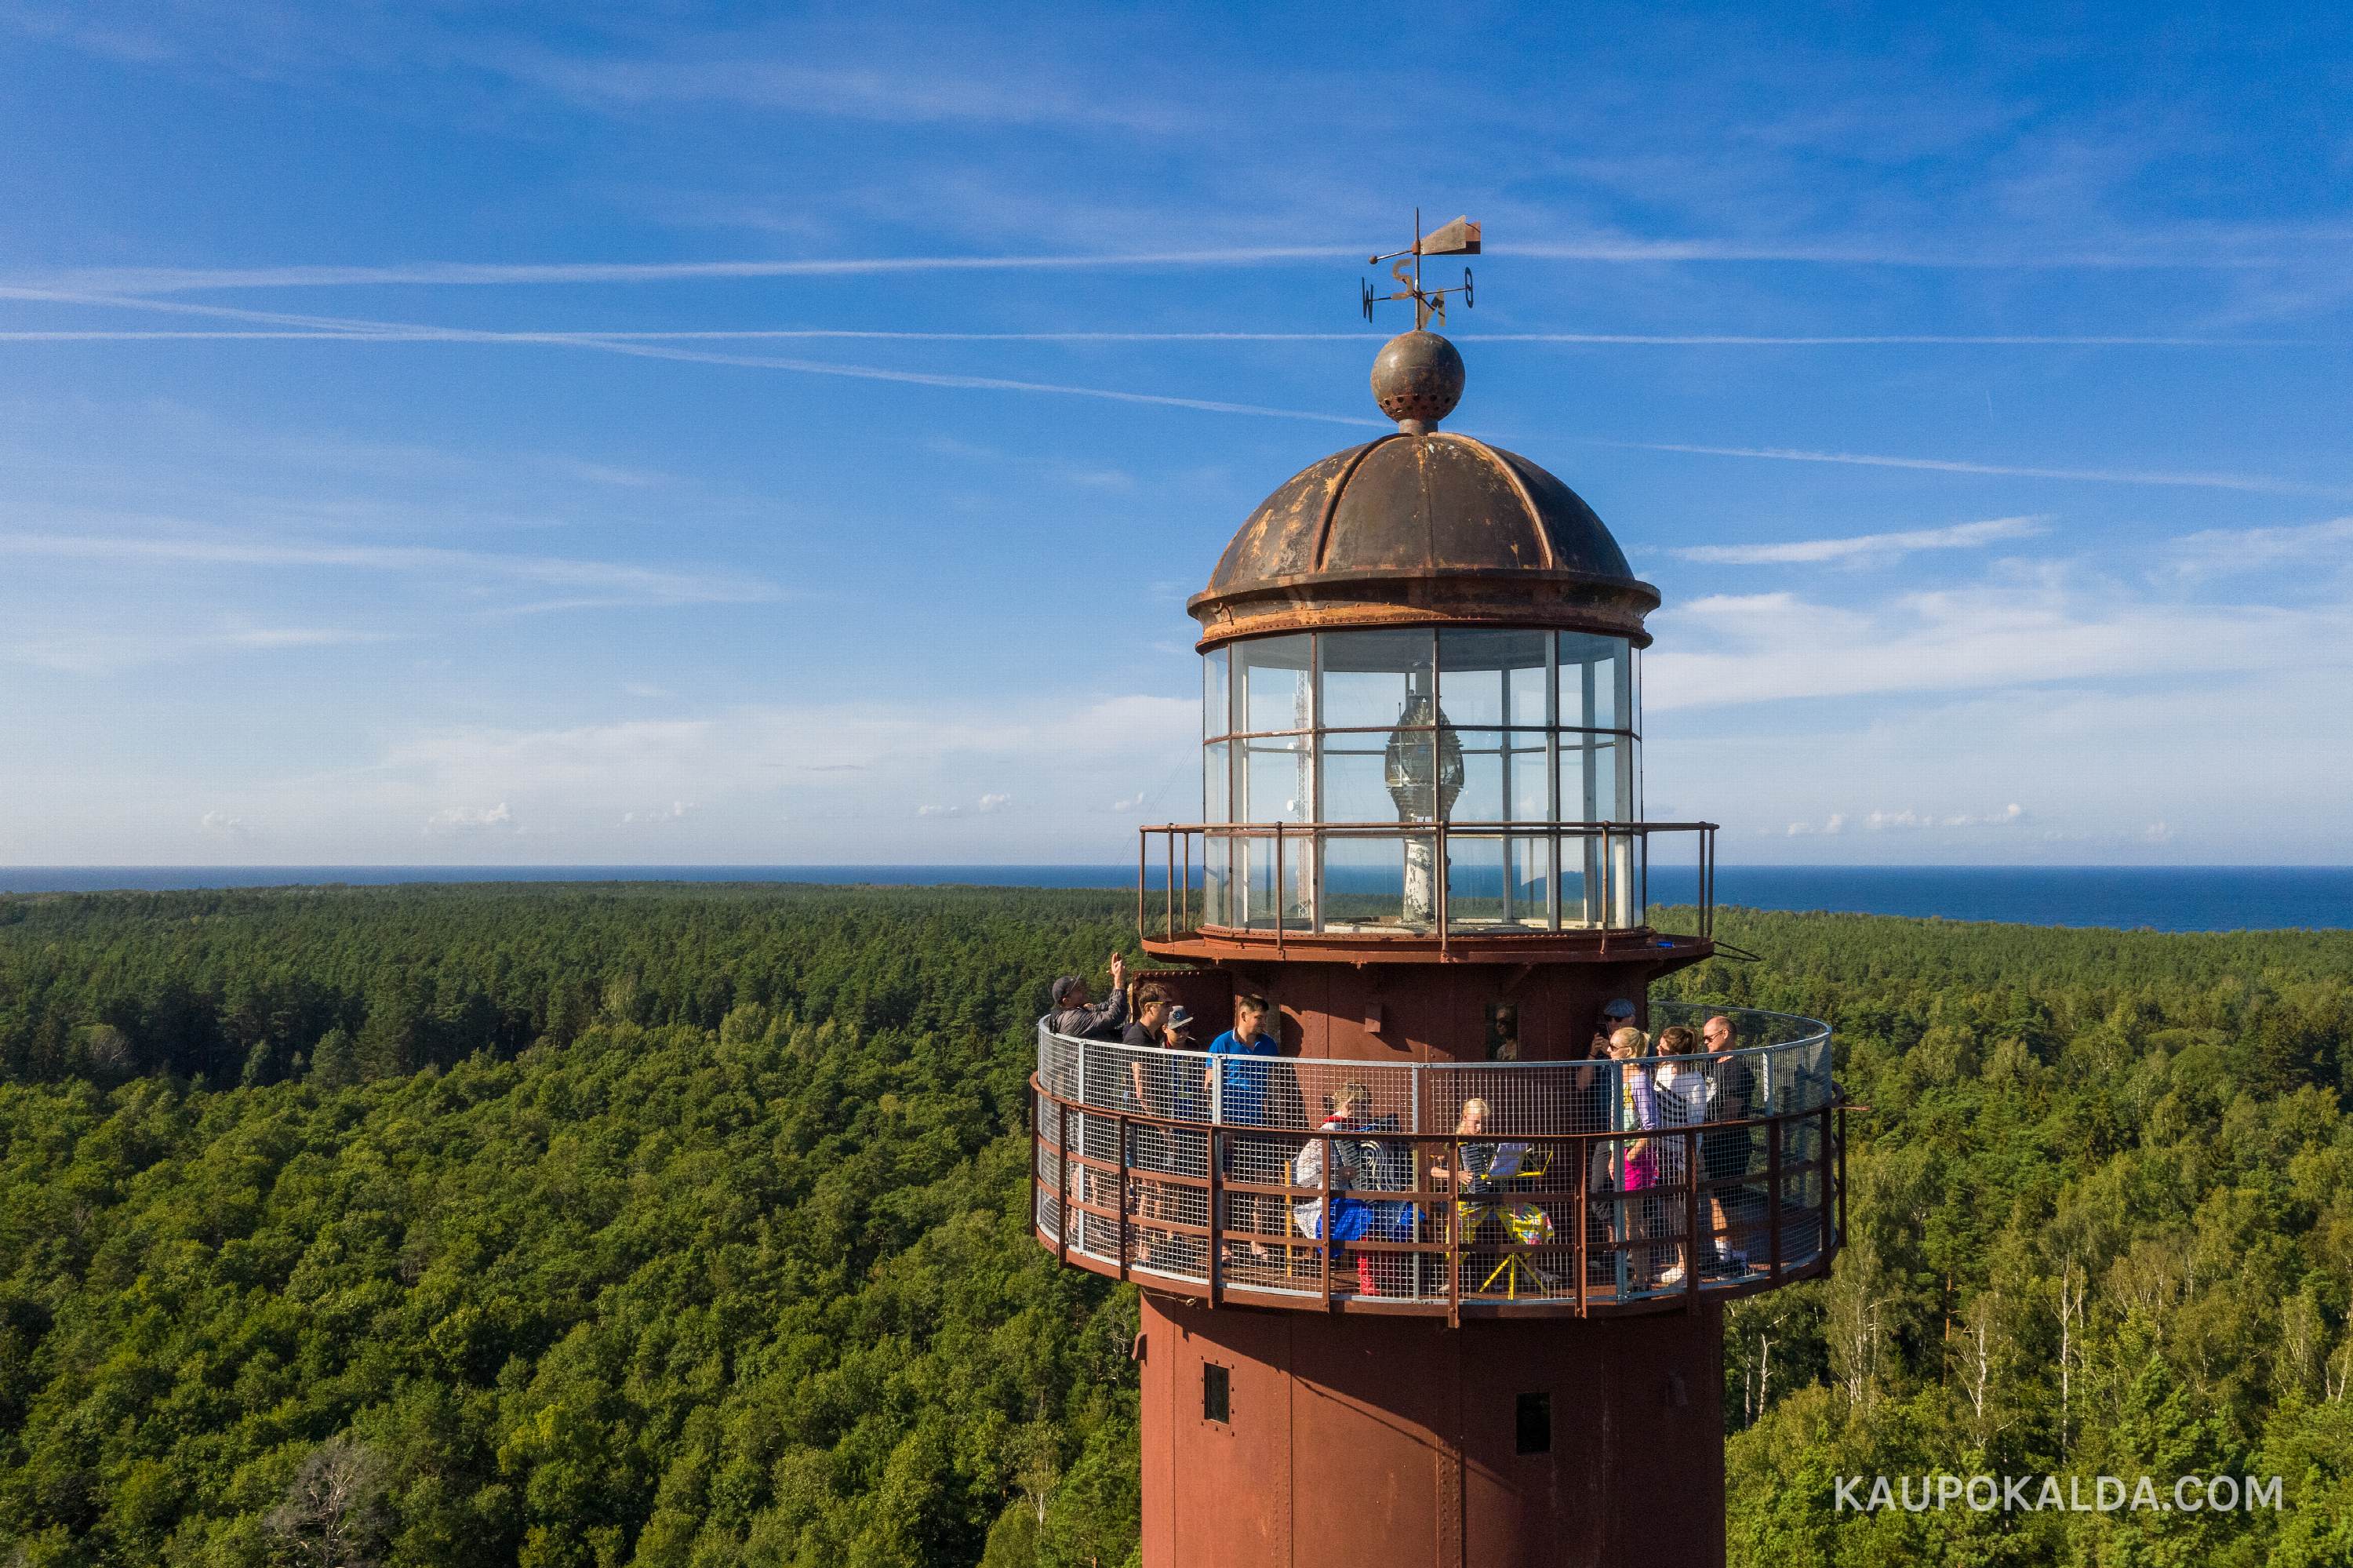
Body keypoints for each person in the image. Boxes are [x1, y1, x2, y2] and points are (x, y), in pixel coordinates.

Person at [1205, 994, 1282, 1261]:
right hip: (1227, 1125)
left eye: (1265, 1018)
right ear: (1244, 1016)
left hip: (1257, 1124)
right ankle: (1223, 1243)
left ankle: (1257, 1241)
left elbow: (1275, 1082)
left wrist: (1276, 1117)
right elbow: (1209, 1085)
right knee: (1224, 1184)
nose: (1263, 1022)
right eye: (1259, 1017)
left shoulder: (1268, 1045)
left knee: (1265, 1182)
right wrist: (1220, 1124)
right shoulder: (1222, 1043)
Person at [1292, 1082, 1380, 1294]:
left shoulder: (1364, 1129)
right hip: (1334, 1199)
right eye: (1363, 1106)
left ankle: (1392, 1277)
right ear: (1349, 1105)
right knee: (1367, 1217)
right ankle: (1368, 1282)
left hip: (1367, 1194)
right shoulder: (1328, 1131)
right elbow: (1302, 1175)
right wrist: (1336, 1172)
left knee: (1405, 1214)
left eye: (1367, 1106)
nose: (1367, 1111)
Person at [1648, 1025, 1712, 1288]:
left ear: (1675, 1053)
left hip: (1678, 1155)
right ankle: (1682, 1265)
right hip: (1658, 1150)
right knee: (1669, 1209)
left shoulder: (1694, 1081)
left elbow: (1695, 1125)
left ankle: (1688, 1268)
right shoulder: (1662, 1070)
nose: (1658, 1049)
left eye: (1663, 1047)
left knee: (1679, 1211)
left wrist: (1687, 1161)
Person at [1119, 984, 1176, 1264]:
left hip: (1150, 1124)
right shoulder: (1138, 1038)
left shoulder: (1151, 1035)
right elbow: (1141, 1089)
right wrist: (1161, 1124)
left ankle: (1152, 1243)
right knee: (1148, 1186)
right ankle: (1145, 1247)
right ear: (1150, 1008)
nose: (1169, 1009)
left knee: (1156, 1185)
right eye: (1165, 1004)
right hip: (1145, 1126)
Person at [1699, 1013, 1758, 1275]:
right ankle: (1723, 1256)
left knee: (1731, 1203)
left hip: (1730, 1144)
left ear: (1724, 1034)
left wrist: (1705, 1124)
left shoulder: (1737, 1070)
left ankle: (1741, 1260)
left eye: (1708, 1037)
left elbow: (1731, 1110)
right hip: (1710, 1143)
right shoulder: (1710, 1064)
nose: (1705, 1042)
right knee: (1715, 1201)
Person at [1046, 955, 1129, 1039]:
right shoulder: (1072, 1019)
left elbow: (1108, 1005)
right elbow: (1114, 1016)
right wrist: (1119, 985)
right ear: (1067, 1001)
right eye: (1078, 989)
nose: (1082, 990)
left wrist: (1118, 980)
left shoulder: (1076, 1010)